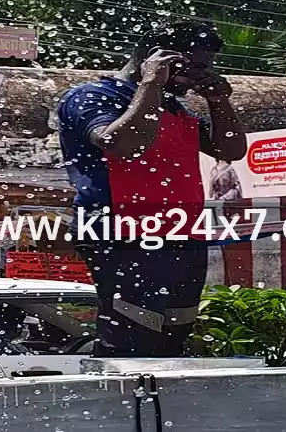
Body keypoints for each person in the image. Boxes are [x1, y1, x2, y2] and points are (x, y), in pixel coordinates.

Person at [57, 21, 247, 357]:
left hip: (182, 232)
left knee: (175, 330)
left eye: (205, 68)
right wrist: (151, 84)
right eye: (193, 67)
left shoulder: (175, 107)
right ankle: (119, 389)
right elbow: (122, 145)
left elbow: (230, 149)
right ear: (155, 58)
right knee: (133, 330)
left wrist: (218, 101)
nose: (199, 77)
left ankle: (165, 390)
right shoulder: (93, 96)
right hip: (120, 231)